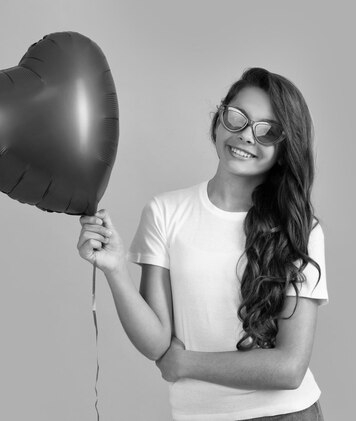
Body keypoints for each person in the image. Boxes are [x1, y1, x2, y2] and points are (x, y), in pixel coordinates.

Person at [77, 67, 328, 421]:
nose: (245, 136)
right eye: (237, 118)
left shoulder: (299, 228)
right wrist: (115, 270)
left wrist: (186, 363)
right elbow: (157, 343)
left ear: (283, 149)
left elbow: (290, 368)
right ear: (219, 119)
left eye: (267, 131)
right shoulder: (165, 212)